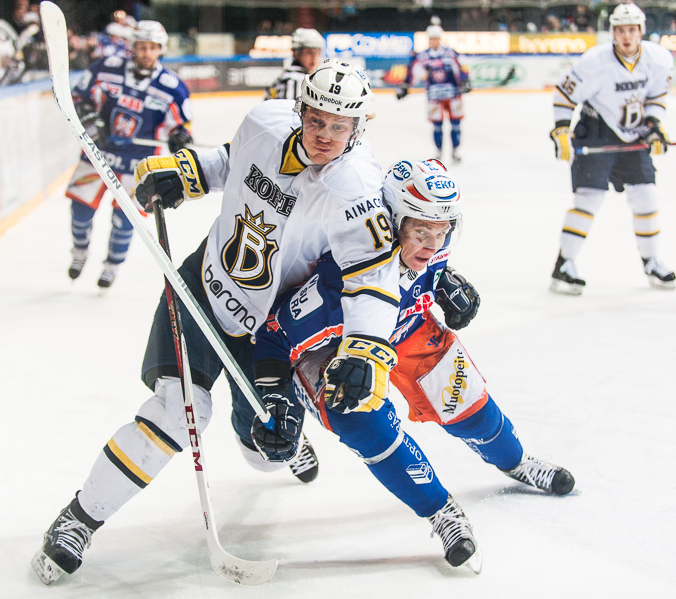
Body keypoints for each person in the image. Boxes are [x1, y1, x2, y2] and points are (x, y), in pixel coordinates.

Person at [32, 59, 401, 584]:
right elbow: (231, 162)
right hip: (203, 288)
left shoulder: (357, 189)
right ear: (302, 110)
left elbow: (373, 279)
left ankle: (284, 445)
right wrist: (186, 172)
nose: (324, 134)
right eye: (316, 119)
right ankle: (79, 520)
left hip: (272, 331)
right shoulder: (265, 122)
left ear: (359, 126)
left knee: (263, 453)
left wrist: (367, 348)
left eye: (338, 126)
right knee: (177, 413)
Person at [249, 159, 575, 565]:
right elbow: (274, 338)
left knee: (469, 406)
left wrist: (443, 280)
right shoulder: (336, 288)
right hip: (338, 349)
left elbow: (428, 255)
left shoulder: (428, 242)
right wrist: (276, 397)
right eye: (422, 232)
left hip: (407, 329)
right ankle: (441, 510)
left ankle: (516, 461)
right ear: (389, 223)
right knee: (360, 421)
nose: (433, 245)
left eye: (442, 232)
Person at [549, 3, 676, 295]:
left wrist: (655, 125)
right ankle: (564, 265)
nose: (627, 36)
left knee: (646, 195)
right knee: (588, 199)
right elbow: (564, 94)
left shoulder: (658, 59)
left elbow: (657, 95)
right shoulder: (595, 62)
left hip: (634, 135)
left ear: (641, 31)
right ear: (613, 32)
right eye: (621, 30)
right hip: (596, 132)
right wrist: (561, 131)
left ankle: (652, 260)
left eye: (632, 30)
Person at [65, 20, 193, 289]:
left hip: (139, 164)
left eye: (153, 48)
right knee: (80, 209)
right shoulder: (105, 68)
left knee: (125, 220)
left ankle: (112, 265)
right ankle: (79, 252)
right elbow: (78, 97)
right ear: (132, 47)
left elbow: (180, 125)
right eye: (142, 47)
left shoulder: (172, 86)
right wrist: (89, 118)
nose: (147, 53)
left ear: (161, 49)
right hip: (98, 154)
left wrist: (179, 137)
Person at [396, 19, 470, 163]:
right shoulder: (422, 56)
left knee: (455, 124)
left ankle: (455, 151)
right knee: (437, 125)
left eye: (436, 39)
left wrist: (465, 80)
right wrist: (405, 86)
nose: (434, 41)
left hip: (453, 94)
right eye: (432, 39)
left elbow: (462, 66)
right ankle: (439, 151)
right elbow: (412, 72)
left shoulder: (450, 53)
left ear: (440, 39)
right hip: (434, 96)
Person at [264, 27, 325, 101]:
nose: (314, 57)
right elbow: (292, 111)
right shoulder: (295, 80)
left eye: (317, 52)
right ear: (296, 53)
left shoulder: (284, 76)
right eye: (309, 52)